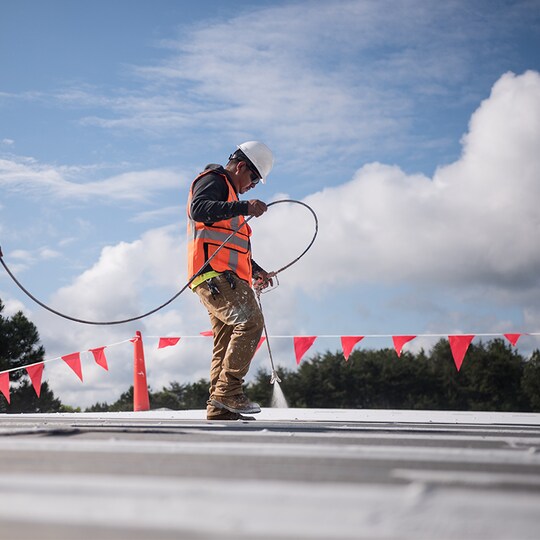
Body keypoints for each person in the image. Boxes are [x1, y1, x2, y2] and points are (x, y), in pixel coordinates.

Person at [187, 141, 275, 420]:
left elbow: (229, 244)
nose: (252, 186)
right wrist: (244, 206)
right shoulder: (214, 180)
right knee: (250, 323)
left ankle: (218, 407)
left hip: (223, 277)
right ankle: (228, 392)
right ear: (240, 167)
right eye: (253, 179)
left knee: (226, 342)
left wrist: (256, 269)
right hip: (215, 276)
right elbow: (199, 209)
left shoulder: (229, 198)